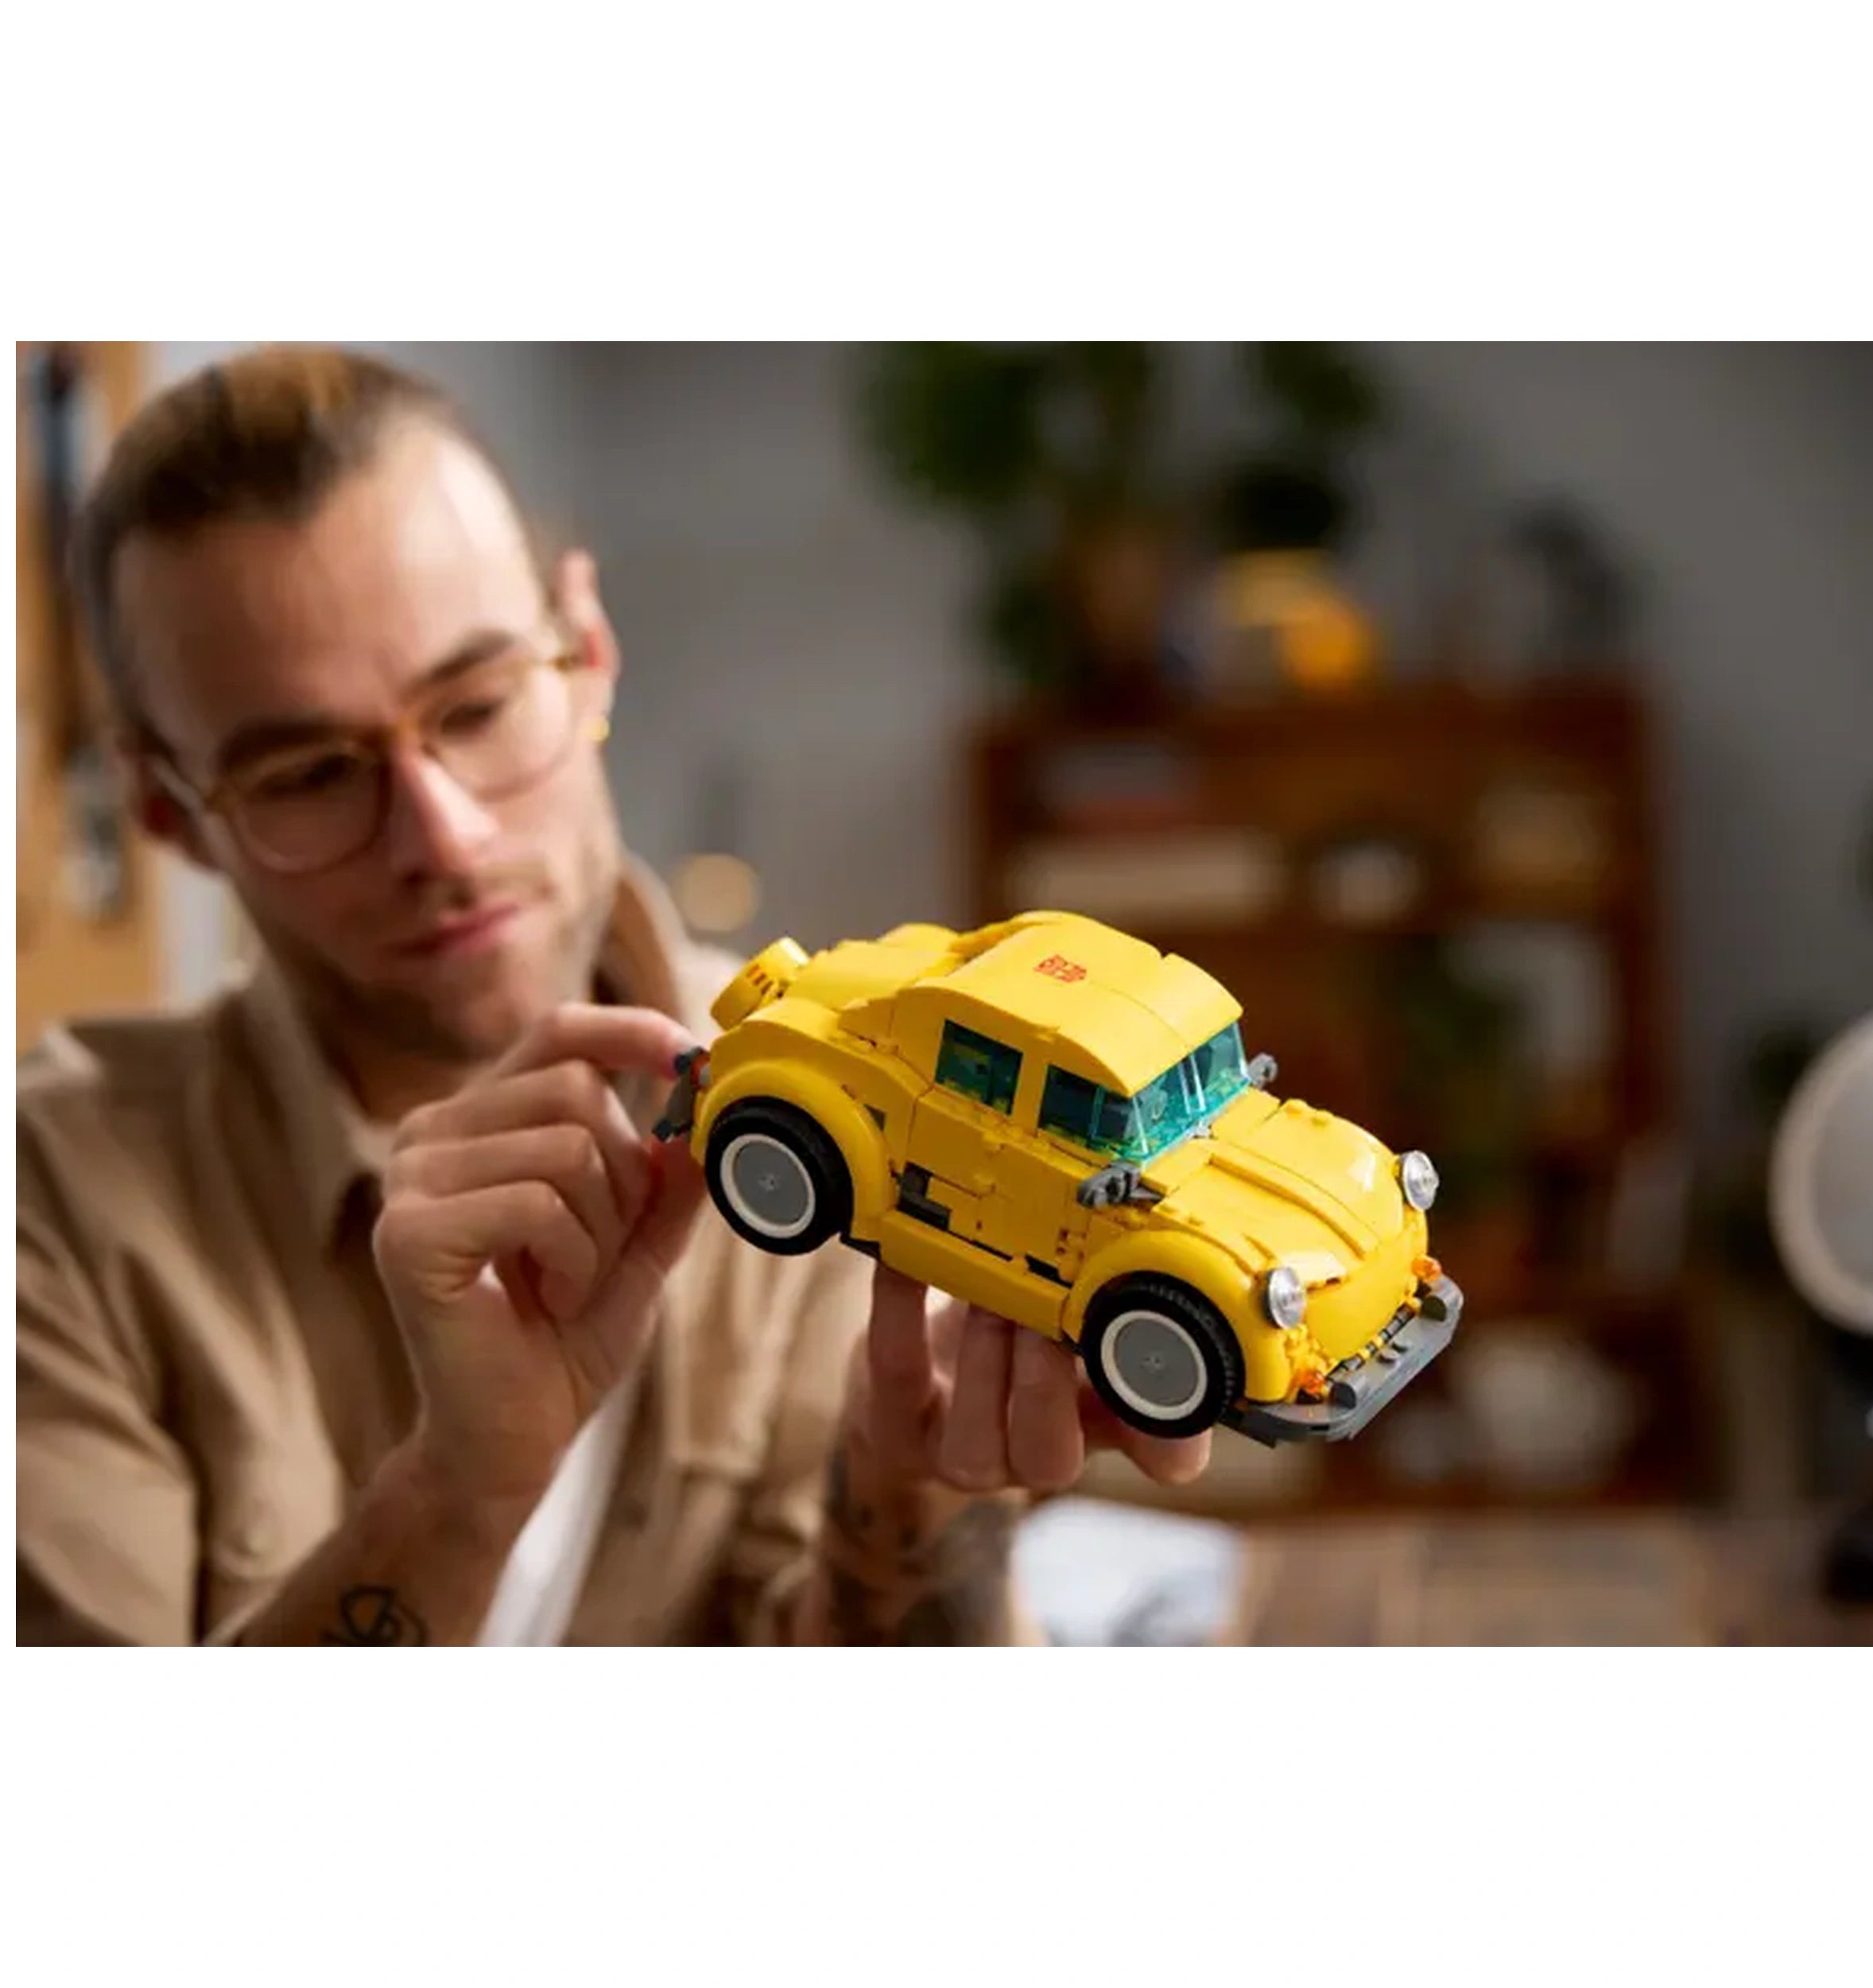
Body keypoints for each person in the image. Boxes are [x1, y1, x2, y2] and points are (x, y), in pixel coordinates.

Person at [15, 347, 1213, 1646]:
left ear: (584, 650)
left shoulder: (841, 1097)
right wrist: (461, 1490)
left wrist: (916, 1495)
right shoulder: (55, 1200)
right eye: (307, 774)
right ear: (164, 813)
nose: (447, 838)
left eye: (475, 705)